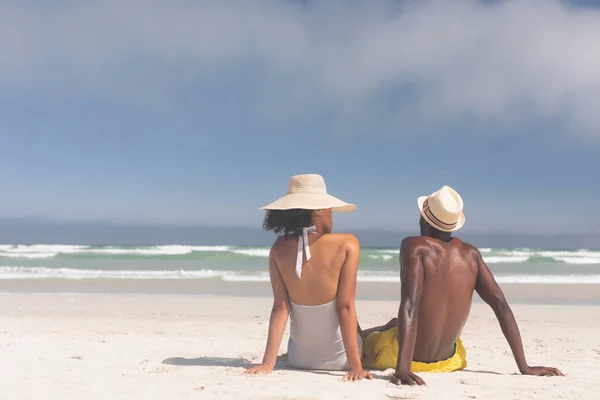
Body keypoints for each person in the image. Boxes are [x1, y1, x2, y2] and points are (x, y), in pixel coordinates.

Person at [360, 185, 564, 385]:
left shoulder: (415, 245)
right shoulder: (471, 254)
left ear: (424, 218)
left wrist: (403, 368)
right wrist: (524, 366)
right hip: (452, 360)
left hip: (405, 360)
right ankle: (387, 331)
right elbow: (501, 304)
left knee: (357, 336)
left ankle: (367, 338)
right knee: (393, 323)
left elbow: (410, 304)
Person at [244, 174, 372, 381]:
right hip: (342, 361)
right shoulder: (347, 243)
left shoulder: (278, 248)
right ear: (319, 210)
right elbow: (345, 307)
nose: (332, 214)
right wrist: (356, 367)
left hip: (298, 358)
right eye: (329, 208)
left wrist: (268, 363)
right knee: (366, 329)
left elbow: (280, 307)